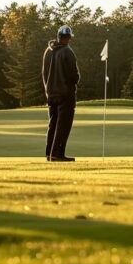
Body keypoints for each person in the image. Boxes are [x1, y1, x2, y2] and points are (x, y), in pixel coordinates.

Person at [42, 24, 80, 162]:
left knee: (53, 124)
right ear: (68, 37)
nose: (68, 40)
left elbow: (44, 74)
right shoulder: (67, 52)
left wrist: (48, 90)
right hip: (66, 94)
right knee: (63, 125)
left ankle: (50, 153)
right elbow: (74, 76)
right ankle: (57, 154)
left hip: (51, 94)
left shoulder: (48, 51)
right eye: (68, 37)